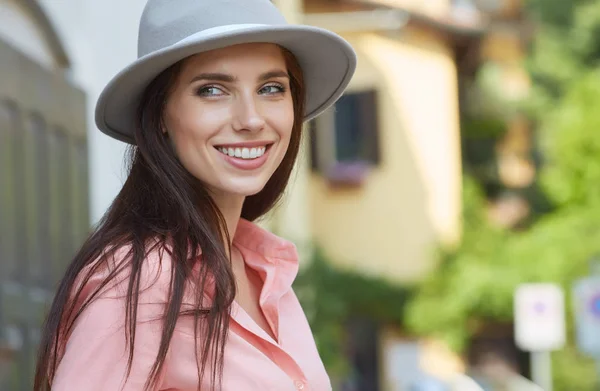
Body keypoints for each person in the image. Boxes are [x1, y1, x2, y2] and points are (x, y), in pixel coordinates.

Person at [33, 0, 356, 390]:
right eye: (212, 90)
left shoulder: (266, 273)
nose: (252, 120)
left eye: (271, 88)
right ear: (160, 116)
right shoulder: (140, 282)